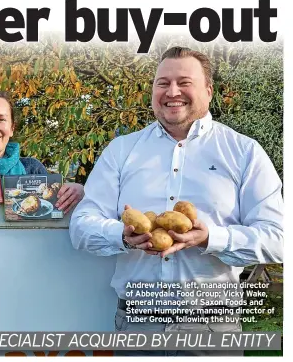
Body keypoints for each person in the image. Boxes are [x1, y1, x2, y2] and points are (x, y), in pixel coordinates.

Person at [69, 47, 283, 356]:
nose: (172, 92)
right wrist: (123, 237)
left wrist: (211, 238)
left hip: (212, 328)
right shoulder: (121, 151)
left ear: (208, 91)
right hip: (136, 326)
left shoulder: (243, 152)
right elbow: (82, 226)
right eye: (162, 83)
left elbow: (278, 238)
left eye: (184, 82)